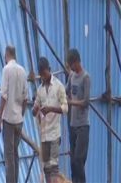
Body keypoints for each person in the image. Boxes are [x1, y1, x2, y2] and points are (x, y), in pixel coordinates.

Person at [32, 57, 67, 182]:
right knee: (46, 168)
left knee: (53, 167)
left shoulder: (58, 86)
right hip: (44, 134)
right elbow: (34, 109)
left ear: (49, 70)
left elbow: (65, 108)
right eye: (41, 75)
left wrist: (51, 109)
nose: (43, 77)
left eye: (45, 74)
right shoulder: (40, 90)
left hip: (54, 134)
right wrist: (35, 109)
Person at [0, 45, 27, 183]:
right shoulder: (22, 71)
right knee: (15, 154)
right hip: (19, 119)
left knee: (9, 156)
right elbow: (25, 98)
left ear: (7, 54)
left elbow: (4, 96)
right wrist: (22, 114)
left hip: (9, 119)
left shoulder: (6, 70)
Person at [66, 49, 90, 183]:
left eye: (72, 65)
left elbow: (86, 102)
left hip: (83, 125)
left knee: (79, 159)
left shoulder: (85, 77)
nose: (72, 69)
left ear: (76, 61)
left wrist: (71, 102)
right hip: (73, 124)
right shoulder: (71, 76)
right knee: (73, 161)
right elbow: (65, 90)